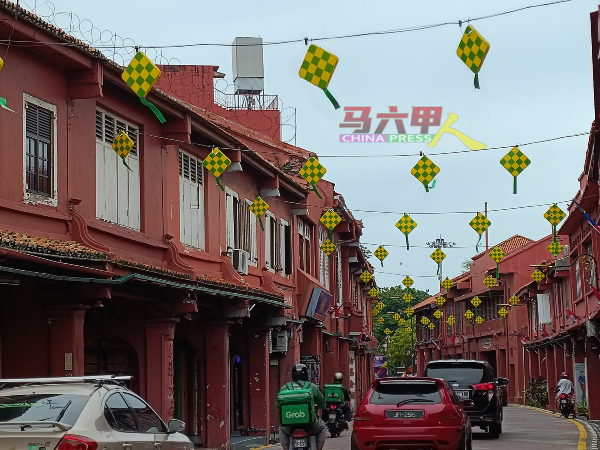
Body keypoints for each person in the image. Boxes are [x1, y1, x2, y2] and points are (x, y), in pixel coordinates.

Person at [279, 364, 327, 450]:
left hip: (289, 424)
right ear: (306, 375)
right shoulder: (312, 386)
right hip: (310, 423)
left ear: (293, 375)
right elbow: (322, 404)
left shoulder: (285, 387)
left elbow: (278, 406)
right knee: (322, 428)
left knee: (282, 430)